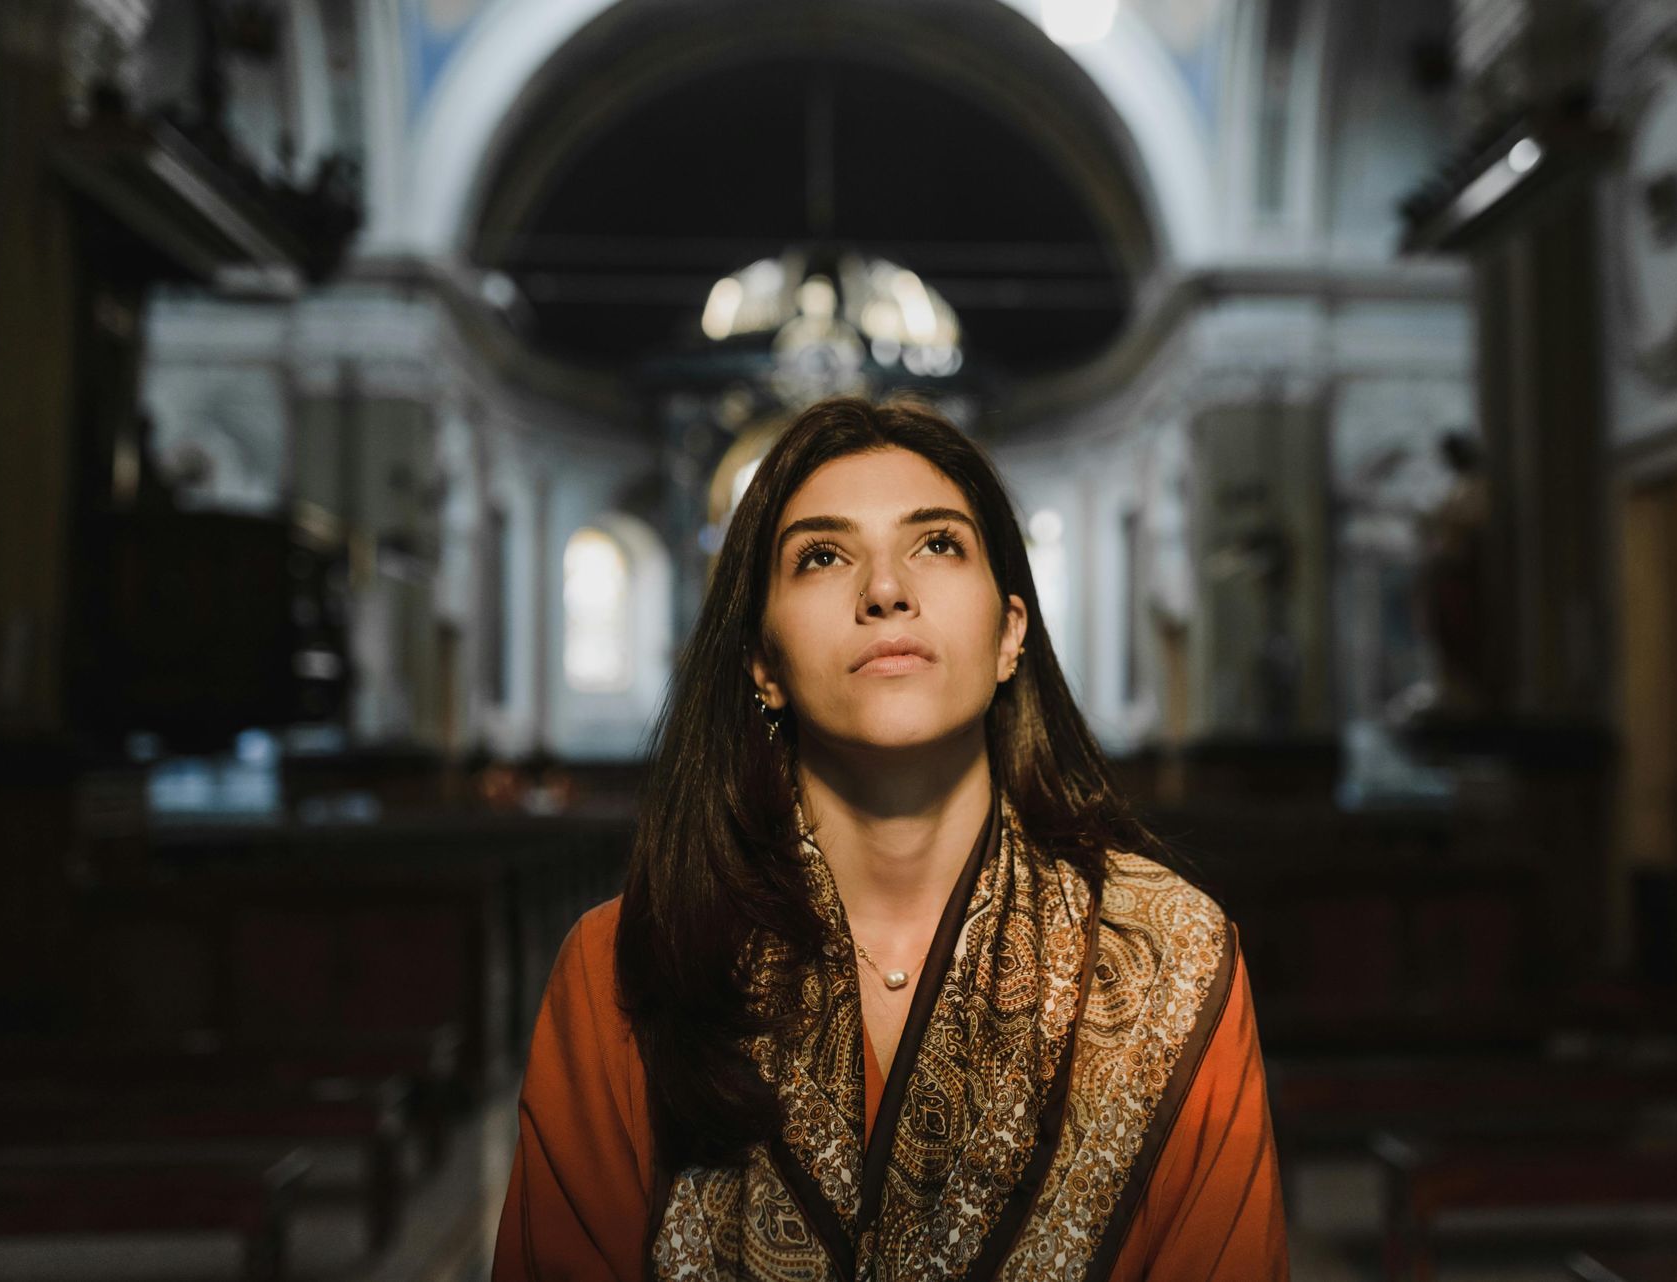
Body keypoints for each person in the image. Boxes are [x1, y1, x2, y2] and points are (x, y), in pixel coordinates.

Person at [493, 397, 1289, 1281]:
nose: (885, 589)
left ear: (1009, 634)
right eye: (823, 556)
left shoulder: (1172, 955)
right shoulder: (623, 968)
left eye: (938, 543)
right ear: (763, 664)